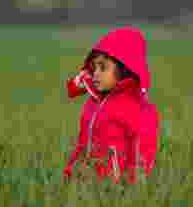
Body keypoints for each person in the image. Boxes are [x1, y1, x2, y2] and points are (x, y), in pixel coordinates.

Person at [64, 27, 159, 184]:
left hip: (115, 188)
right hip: (86, 185)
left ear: (124, 69)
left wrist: (132, 186)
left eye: (103, 67)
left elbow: (143, 154)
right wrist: (70, 172)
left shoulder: (138, 108)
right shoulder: (94, 101)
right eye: (94, 67)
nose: (95, 73)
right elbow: (82, 145)